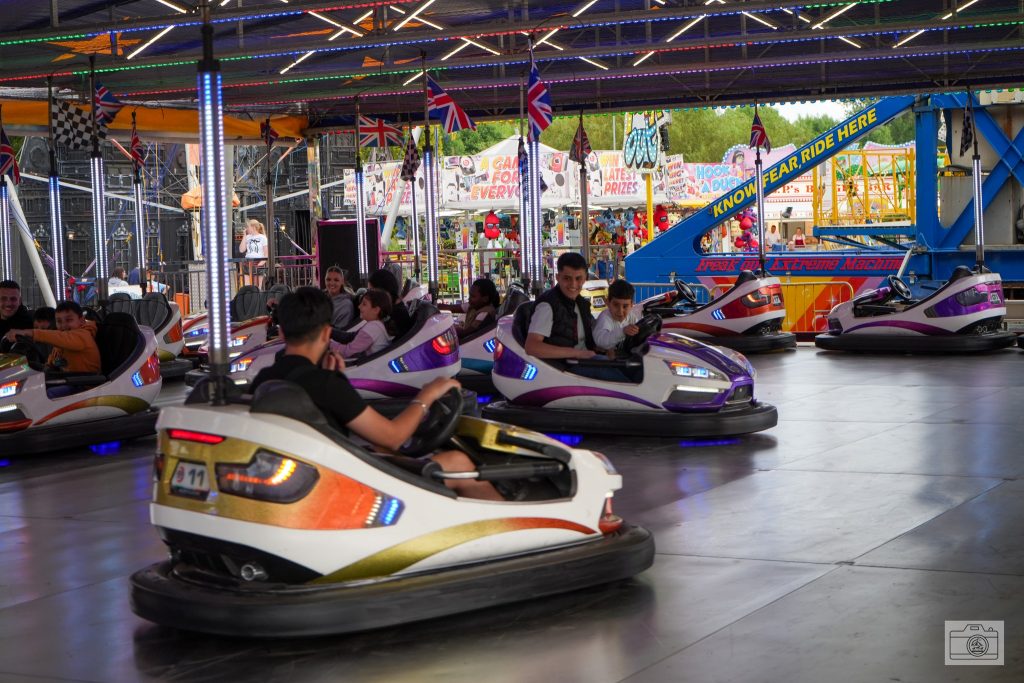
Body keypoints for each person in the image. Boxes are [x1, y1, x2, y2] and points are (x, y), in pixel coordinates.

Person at [252, 288, 501, 500]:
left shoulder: (264, 380)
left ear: (282, 332)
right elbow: (392, 437)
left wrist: (335, 379)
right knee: (457, 462)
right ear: (327, 333)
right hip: (348, 482)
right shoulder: (325, 384)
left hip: (308, 473)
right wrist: (428, 394)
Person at [525, 252, 626, 382]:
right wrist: (578, 353)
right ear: (558, 277)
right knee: (624, 381)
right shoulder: (547, 306)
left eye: (578, 279)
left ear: (585, 279)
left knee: (631, 366)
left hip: (585, 360)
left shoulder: (580, 303)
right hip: (564, 368)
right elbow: (532, 346)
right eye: (567, 278)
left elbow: (592, 335)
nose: (573, 284)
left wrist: (607, 348)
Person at [4, 301, 101, 374]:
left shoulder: (83, 335)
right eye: (59, 321)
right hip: (67, 380)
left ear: (82, 321)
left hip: (84, 385)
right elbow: (52, 362)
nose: (63, 325)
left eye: (69, 320)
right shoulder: (60, 343)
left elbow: (62, 338)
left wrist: (27, 332)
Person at [335, 289, 392, 359]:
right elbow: (351, 337)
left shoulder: (372, 328)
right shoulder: (377, 325)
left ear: (376, 310)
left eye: (364, 304)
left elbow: (347, 352)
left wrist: (325, 343)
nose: (359, 306)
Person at [593, 280, 641, 355]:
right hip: (605, 361)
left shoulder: (632, 317)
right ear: (608, 303)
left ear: (632, 305)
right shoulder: (605, 317)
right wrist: (623, 331)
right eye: (616, 305)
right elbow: (600, 341)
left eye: (625, 306)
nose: (620, 311)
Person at [368, 268, 414, 338]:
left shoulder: (396, 315)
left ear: (382, 291)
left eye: (371, 291)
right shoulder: (395, 309)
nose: (369, 296)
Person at [324, 266, 355, 332]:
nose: (332, 283)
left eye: (336, 280)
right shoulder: (320, 298)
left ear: (342, 282)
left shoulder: (346, 305)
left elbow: (341, 332)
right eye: (328, 280)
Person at [240, 219, 269, 287]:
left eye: (248, 227)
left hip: (258, 261)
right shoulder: (247, 237)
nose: (247, 229)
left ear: (253, 227)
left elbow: (266, 253)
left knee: (257, 285)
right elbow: (241, 250)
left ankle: (256, 297)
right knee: (247, 286)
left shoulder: (262, 237)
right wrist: (244, 235)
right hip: (248, 261)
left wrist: (260, 264)